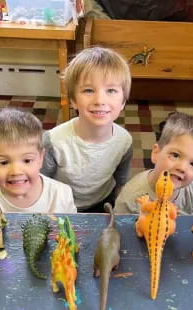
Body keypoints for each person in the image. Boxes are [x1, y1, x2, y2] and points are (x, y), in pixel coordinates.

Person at [41, 46, 133, 212]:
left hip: (104, 202)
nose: (100, 100)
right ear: (73, 100)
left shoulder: (124, 141)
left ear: (123, 102)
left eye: (111, 90)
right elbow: (40, 184)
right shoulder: (53, 142)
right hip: (62, 206)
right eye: (88, 90)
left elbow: (121, 182)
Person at [114, 111, 193, 215]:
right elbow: (118, 225)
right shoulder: (131, 196)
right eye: (175, 155)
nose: (182, 168)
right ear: (156, 153)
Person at [0, 107, 77, 213]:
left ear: (41, 158)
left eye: (27, 160)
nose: (16, 171)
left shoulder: (62, 194)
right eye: (3, 162)